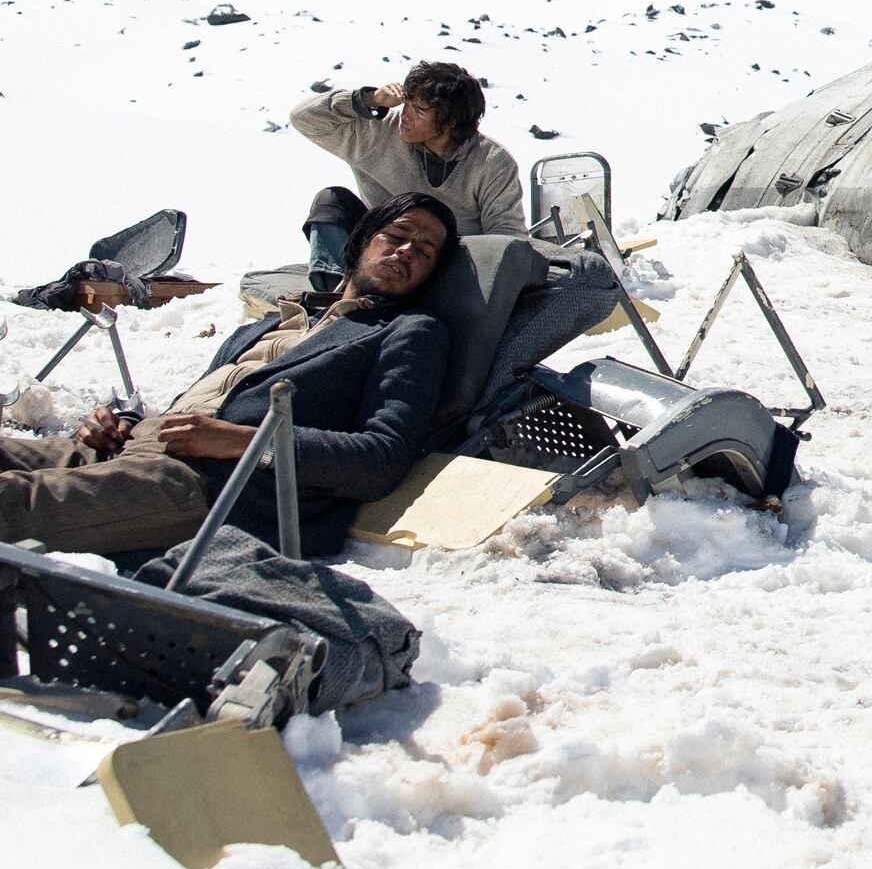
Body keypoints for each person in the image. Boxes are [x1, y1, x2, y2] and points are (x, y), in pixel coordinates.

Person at [0, 194, 460, 558]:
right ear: (361, 241)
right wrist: (122, 424)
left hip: (211, 488)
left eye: (424, 251)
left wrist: (244, 443)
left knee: (14, 504)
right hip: (132, 453)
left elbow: (380, 458)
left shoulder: (409, 332)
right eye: (396, 235)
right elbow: (200, 408)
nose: (406, 251)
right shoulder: (273, 322)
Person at [291, 63, 526, 280]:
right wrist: (370, 99)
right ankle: (336, 292)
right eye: (407, 105)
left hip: (445, 267)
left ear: (450, 122)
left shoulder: (492, 162)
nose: (406, 115)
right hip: (381, 254)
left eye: (419, 111)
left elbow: (506, 236)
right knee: (332, 201)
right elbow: (303, 118)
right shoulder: (378, 132)